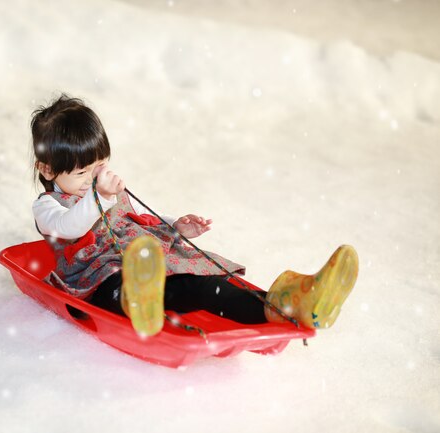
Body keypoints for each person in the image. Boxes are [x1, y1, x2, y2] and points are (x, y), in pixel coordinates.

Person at [30, 94, 359, 336]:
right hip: (98, 278)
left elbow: (138, 214)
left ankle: (288, 303)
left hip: (149, 262)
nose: (93, 177)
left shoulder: (103, 187)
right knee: (119, 286)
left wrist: (175, 226)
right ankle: (135, 300)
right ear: (47, 168)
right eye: (82, 172)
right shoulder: (48, 207)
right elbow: (69, 227)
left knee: (205, 285)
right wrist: (97, 194)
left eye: (100, 165)